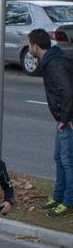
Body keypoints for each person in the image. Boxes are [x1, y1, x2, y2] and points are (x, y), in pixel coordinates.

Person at [27, 28, 73, 214]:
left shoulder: (54, 64)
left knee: (67, 160)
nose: (29, 47)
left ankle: (68, 201)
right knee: (59, 158)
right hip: (65, 117)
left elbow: (68, 92)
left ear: (36, 47)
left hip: (68, 119)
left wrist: (65, 118)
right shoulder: (51, 60)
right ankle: (59, 196)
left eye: (29, 44)